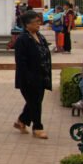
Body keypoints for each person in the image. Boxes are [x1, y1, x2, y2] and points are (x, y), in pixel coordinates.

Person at [13, 10, 52, 139]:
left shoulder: (40, 36)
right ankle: (38, 128)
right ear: (27, 24)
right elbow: (21, 62)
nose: (38, 24)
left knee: (34, 101)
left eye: (38, 21)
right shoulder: (22, 40)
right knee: (35, 103)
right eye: (35, 22)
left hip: (42, 75)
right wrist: (28, 77)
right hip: (28, 78)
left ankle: (22, 121)